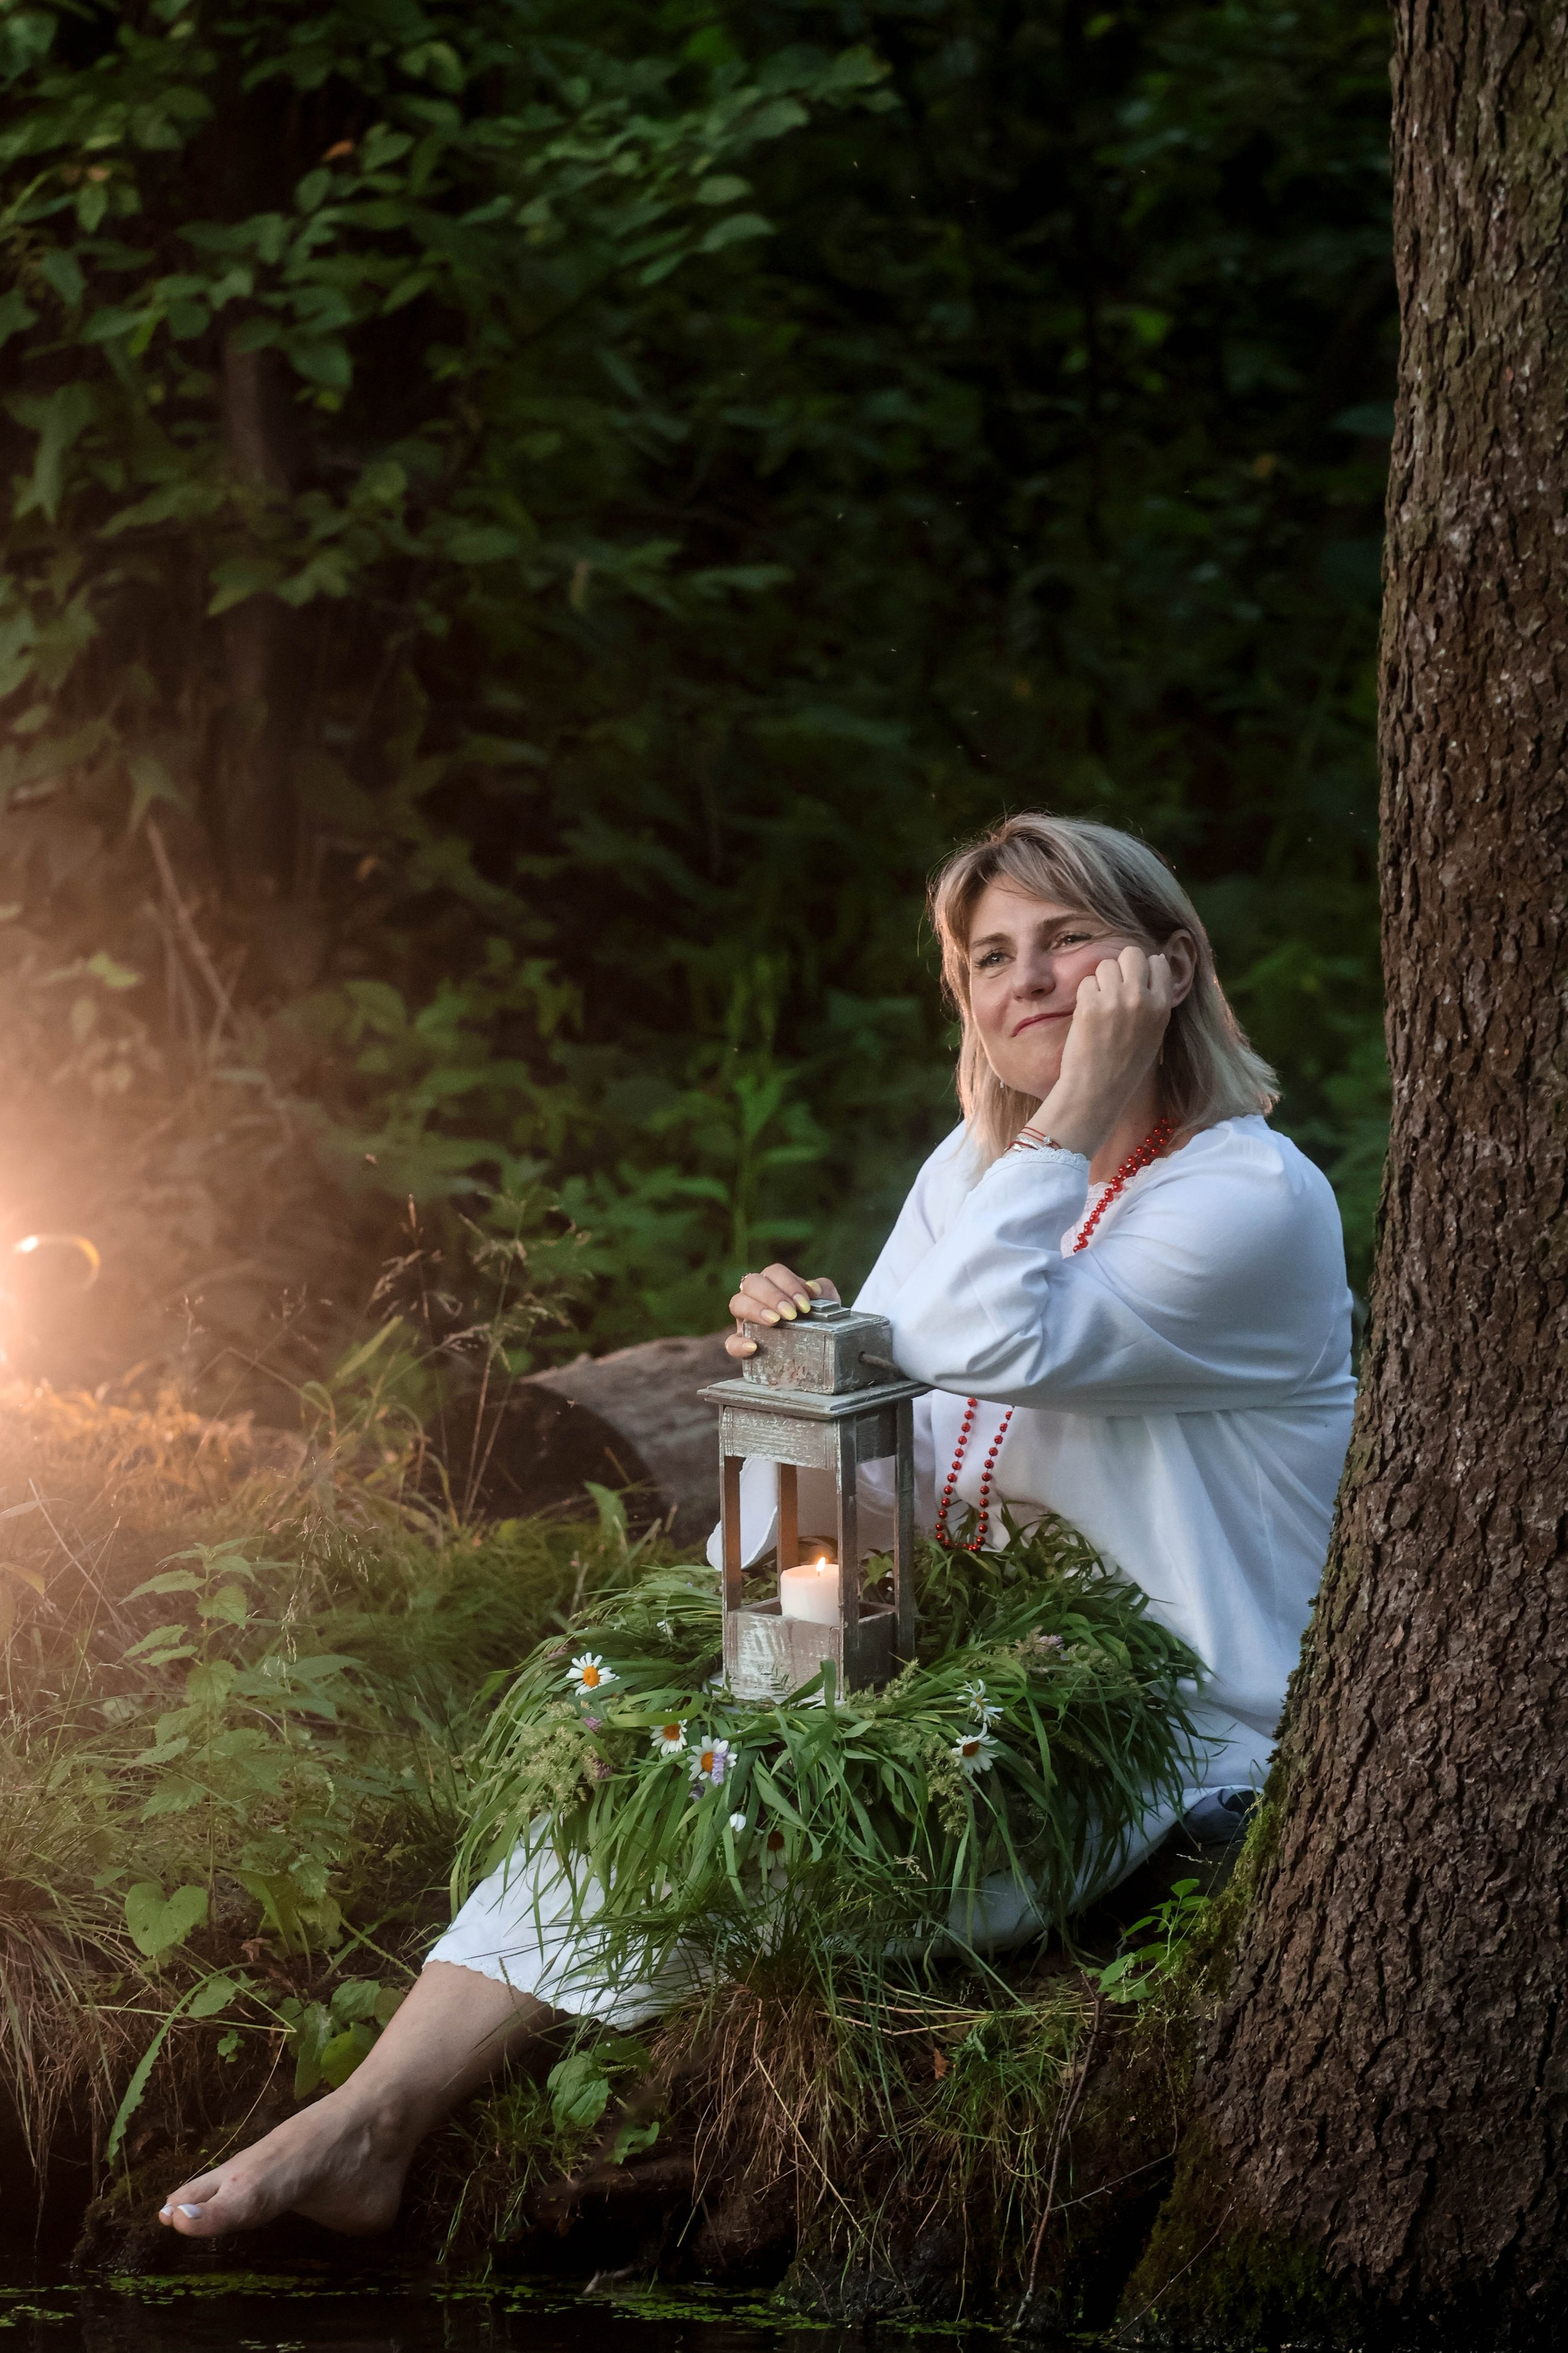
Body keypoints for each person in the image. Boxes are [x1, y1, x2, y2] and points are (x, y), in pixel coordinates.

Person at [157, 812, 1354, 2240]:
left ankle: (378, 2119)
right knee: (651, 1759)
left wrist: (1058, 1121)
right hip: (953, 1657)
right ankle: (366, 2122)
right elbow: (890, 1434)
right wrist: (805, 1368)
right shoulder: (975, 1170)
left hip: (1149, 1726)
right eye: (989, 957)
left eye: (1070, 941)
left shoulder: (1249, 1198)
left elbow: (977, 1335)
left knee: (745, 1817)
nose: (1027, 980)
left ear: (1165, 968)